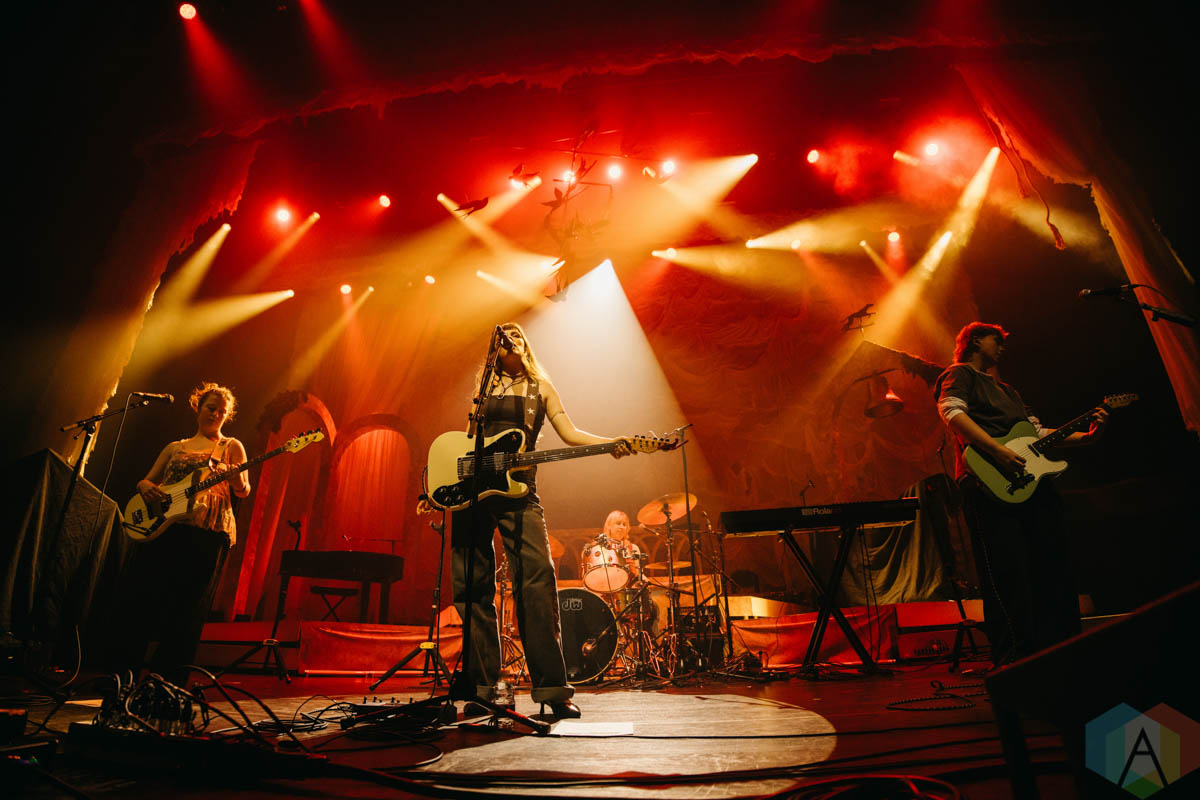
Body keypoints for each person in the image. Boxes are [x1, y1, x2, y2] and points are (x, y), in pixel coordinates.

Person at [447, 323, 636, 719]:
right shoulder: (485, 389)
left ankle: (552, 688)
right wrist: (445, 487)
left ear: (526, 345)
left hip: (520, 493)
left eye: (517, 334)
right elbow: (465, 442)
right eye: (504, 335)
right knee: (471, 588)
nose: (510, 338)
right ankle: (482, 687)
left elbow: (569, 433)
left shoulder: (541, 389)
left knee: (537, 583)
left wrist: (609, 444)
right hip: (475, 494)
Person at [934, 322, 1107, 666]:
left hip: (1028, 483)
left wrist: (1086, 437)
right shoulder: (959, 374)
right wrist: (997, 452)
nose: (1002, 347)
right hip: (986, 481)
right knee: (1006, 570)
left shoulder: (1008, 391)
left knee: (1050, 563)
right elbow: (950, 412)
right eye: (996, 340)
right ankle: (1014, 659)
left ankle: (1059, 648)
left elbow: (1038, 432)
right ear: (975, 340)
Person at [115, 382, 250, 683]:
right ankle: (124, 677)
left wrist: (237, 479)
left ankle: (168, 683)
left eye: (222, 412)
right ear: (198, 408)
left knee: (188, 610)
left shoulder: (231, 446)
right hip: (165, 528)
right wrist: (145, 487)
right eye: (211, 408)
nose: (216, 415)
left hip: (208, 530)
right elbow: (146, 481)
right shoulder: (175, 447)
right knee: (144, 600)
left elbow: (243, 491)